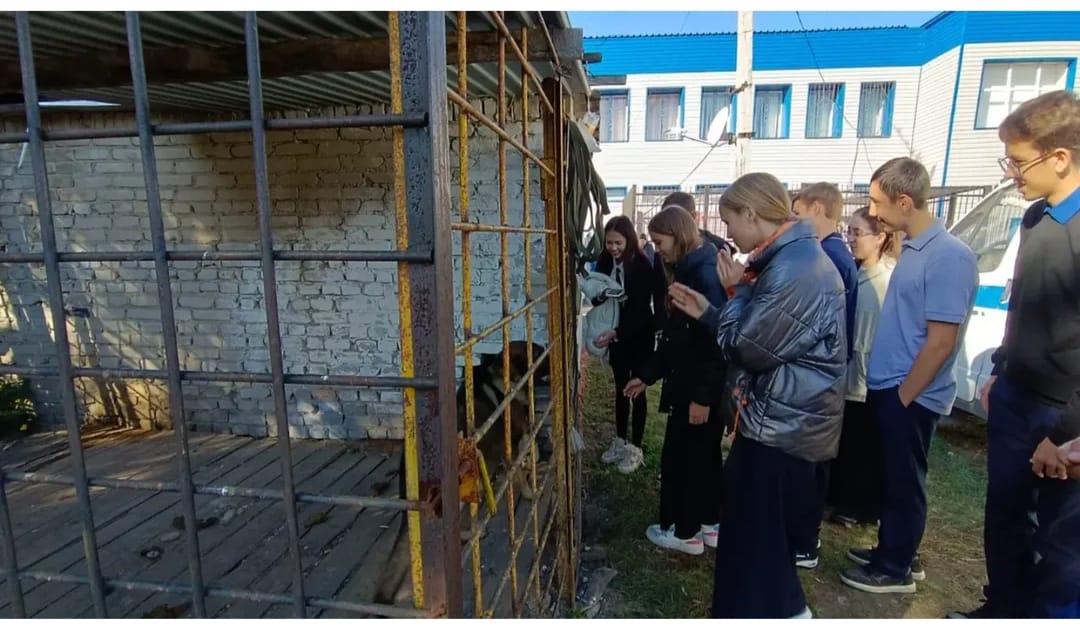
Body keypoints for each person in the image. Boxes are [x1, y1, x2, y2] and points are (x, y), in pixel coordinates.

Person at [667, 172, 846, 618]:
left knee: (758, 540)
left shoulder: (795, 269)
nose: (728, 234)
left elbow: (746, 346)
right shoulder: (789, 261)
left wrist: (735, 295)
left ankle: (781, 613)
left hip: (784, 428)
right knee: (755, 538)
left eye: (730, 222)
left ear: (750, 213)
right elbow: (760, 333)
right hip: (779, 421)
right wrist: (713, 311)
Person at [946, 90, 1080, 619]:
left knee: (1062, 545)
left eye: (1018, 162)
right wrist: (1001, 369)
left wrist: (1064, 434)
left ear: (1060, 158)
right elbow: (1024, 304)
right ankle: (1002, 608)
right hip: (1015, 400)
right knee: (1005, 516)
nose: (1011, 173)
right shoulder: (1034, 219)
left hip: (1062, 415)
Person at [840, 157, 978, 595]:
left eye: (877, 202)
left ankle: (894, 568)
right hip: (893, 387)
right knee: (893, 479)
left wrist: (904, 395)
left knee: (904, 482)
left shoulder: (949, 257)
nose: (873, 212)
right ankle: (896, 549)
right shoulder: (915, 249)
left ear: (904, 201)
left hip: (911, 394)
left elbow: (941, 341)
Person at [622, 205, 727, 556]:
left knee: (683, 461)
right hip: (693, 384)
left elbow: (714, 343)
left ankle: (685, 532)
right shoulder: (694, 267)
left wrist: (702, 397)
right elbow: (676, 338)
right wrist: (647, 375)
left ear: (677, 235)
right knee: (704, 457)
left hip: (695, 389)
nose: (657, 249)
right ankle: (709, 522)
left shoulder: (703, 275)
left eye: (659, 241)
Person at [790, 182, 860, 568]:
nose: (794, 221)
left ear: (817, 208)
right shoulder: (832, 253)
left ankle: (805, 542)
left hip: (820, 376)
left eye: (798, 213)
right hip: (823, 374)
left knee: (810, 464)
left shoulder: (828, 257)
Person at [828, 206, 899, 528]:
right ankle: (843, 499)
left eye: (858, 233)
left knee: (864, 445)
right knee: (847, 442)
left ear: (880, 238)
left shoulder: (887, 279)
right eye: (849, 232)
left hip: (869, 376)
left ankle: (861, 507)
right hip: (848, 373)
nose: (851, 239)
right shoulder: (854, 272)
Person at [593, 216, 667, 474]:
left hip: (638, 335)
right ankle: (620, 440)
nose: (613, 248)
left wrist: (617, 332)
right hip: (616, 336)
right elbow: (596, 293)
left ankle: (636, 447)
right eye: (609, 242)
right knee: (620, 389)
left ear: (629, 241)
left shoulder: (642, 265)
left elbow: (641, 310)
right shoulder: (604, 261)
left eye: (618, 243)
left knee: (637, 390)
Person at [659, 191, 736, 258]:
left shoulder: (719, 248)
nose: (671, 227)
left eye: (676, 221)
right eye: (666, 221)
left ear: (693, 216)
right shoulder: (664, 246)